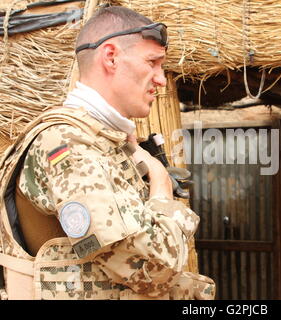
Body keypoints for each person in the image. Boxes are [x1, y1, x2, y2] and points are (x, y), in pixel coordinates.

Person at [0, 6, 215, 300]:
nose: (161, 79)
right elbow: (155, 270)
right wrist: (161, 184)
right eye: (152, 62)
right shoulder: (69, 145)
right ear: (111, 57)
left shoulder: (103, 142)